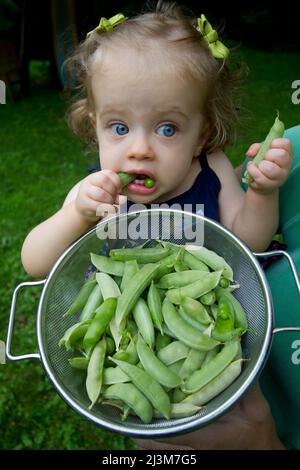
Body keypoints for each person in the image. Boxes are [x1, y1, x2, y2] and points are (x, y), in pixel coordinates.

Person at [20, 1, 294, 449]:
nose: (140, 150)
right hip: (129, 345)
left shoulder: (212, 169)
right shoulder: (96, 192)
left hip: (216, 333)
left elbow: (249, 241)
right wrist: (74, 215)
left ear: (201, 135)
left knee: (242, 404)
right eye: (119, 127)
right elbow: (34, 262)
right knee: (159, 439)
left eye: (167, 129)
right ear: (95, 127)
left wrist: (263, 192)